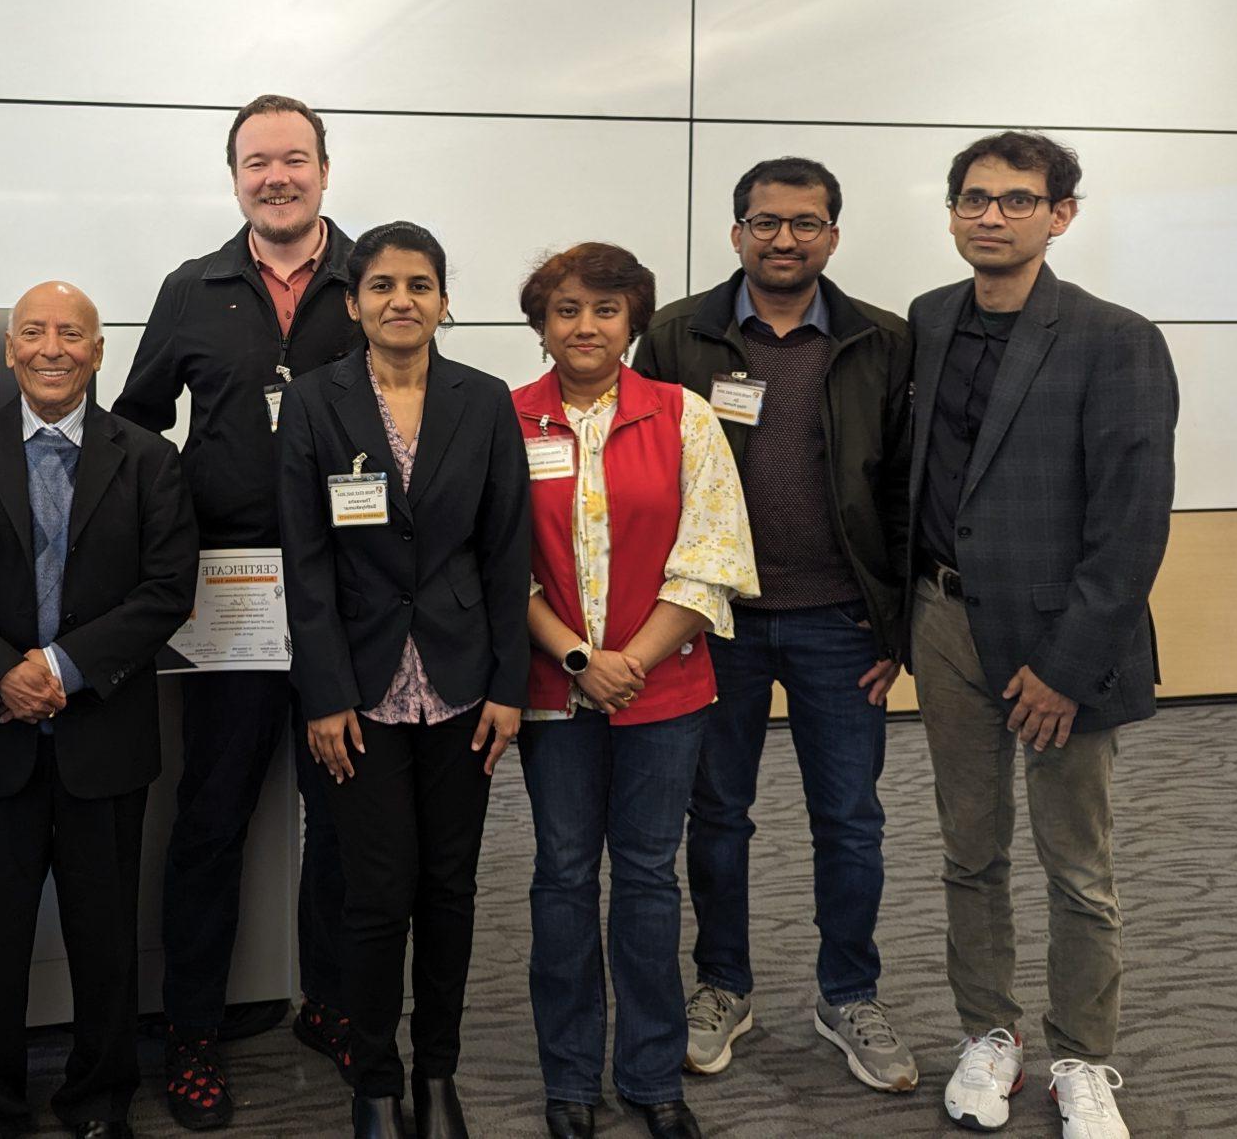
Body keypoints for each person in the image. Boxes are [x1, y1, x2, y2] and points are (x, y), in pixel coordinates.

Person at [629, 158, 918, 1094]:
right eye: (764, 222)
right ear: (736, 233)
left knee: (851, 820)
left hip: (842, 621)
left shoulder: (884, 339)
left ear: (833, 234)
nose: (783, 239)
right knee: (715, 817)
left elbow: (910, 490)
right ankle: (725, 987)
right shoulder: (678, 335)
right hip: (718, 625)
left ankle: (850, 994)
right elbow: (642, 480)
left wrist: (898, 628)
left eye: (804, 223)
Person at [908, 132, 1175, 1139]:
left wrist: (1064, 667)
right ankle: (988, 1033)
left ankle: (1080, 1055)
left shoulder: (1112, 338)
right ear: (949, 213)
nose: (991, 215)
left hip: (1061, 639)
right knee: (968, 851)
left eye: (1016, 200)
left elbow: (1131, 521)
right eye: (973, 199)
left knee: (1077, 863)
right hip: (944, 624)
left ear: (1058, 214)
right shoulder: (930, 321)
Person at [0, 280, 198, 1139]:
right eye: (34, 332)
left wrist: (63, 667)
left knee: (106, 940)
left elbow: (167, 591)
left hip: (102, 732)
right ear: (9, 348)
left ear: (100, 352)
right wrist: (4, 674)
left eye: (72, 333)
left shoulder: (148, 458)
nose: (52, 348)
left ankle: (100, 1099)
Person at [113, 93, 359, 1125]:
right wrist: (183, 516)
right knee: (210, 820)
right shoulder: (192, 288)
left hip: (352, 597)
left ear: (322, 170)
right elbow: (133, 427)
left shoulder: (373, 279)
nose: (276, 177)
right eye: (256, 163)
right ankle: (194, 1031)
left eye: (293, 159)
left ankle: (334, 1006)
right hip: (233, 593)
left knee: (346, 817)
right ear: (233, 179)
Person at [277, 221, 530, 1139]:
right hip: (361, 692)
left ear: (444, 301)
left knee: (451, 888)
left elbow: (507, 555)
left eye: (420, 285)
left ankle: (438, 1075)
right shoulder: (313, 403)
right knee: (378, 892)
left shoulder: (484, 399)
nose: (401, 301)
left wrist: (510, 685)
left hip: (464, 684)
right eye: (381, 285)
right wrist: (324, 694)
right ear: (354, 303)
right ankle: (374, 1079)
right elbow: (303, 563)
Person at [512, 244, 758, 1139]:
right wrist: (582, 659)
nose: (586, 326)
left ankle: (654, 1079)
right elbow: (496, 566)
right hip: (553, 692)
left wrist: (632, 661)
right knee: (564, 880)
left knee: (650, 881)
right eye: (567, 309)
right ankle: (570, 1080)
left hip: (666, 692)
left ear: (633, 322)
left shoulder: (684, 415)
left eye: (606, 310)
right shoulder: (505, 421)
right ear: (541, 322)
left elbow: (714, 557)